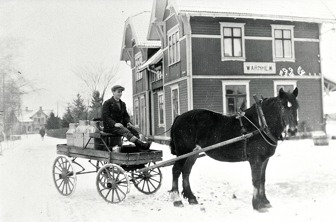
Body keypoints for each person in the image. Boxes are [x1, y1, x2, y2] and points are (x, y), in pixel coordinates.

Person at [102, 85, 151, 150]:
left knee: (134, 131)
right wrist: (114, 124)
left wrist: (128, 122)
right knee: (125, 131)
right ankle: (141, 145)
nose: (120, 94)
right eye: (118, 92)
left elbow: (125, 116)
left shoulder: (122, 104)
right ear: (113, 92)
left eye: (121, 92)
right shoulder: (107, 103)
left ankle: (139, 147)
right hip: (110, 127)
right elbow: (105, 117)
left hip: (120, 126)